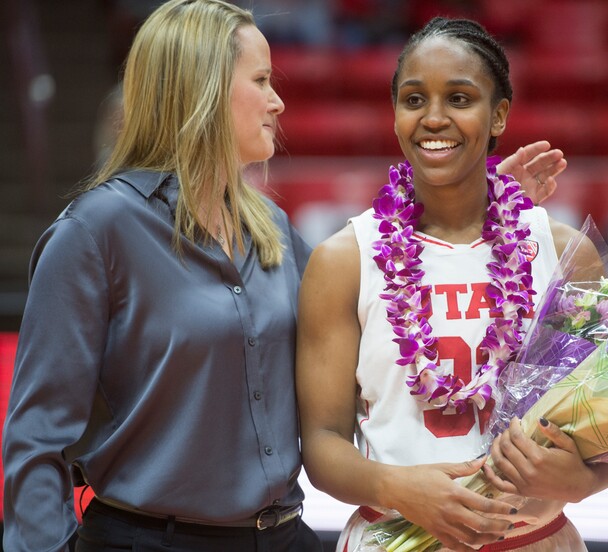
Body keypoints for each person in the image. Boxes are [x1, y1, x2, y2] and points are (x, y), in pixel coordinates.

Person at [1, 0, 566, 549]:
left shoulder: (268, 224)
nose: (278, 102)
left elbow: (379, 284)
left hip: (281, 535)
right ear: (204, 89)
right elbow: (35, 443)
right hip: (152, 537)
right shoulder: (95, 231)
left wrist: (474, 203)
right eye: (262, 80)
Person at [295, 17, 608, 552]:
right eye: (413, 99)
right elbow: (322, 443)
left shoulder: (567, 253)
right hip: (392, 538)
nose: (433, 118)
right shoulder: (343, 260)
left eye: (459, 98)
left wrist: (582, 481)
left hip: (537, 540)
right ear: (395, 114)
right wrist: (398, 487)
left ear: (499, 115)